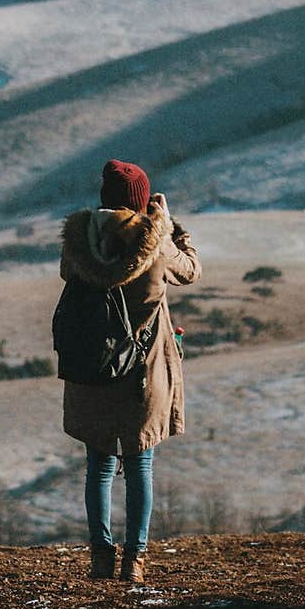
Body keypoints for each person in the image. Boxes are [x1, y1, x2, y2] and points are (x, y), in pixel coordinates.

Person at [58, 159, 201, 584]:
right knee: (140, 466)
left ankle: (101, 557)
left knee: (99, 466)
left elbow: (70, 275)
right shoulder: (155, 245)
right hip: (142, 373)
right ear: (141, 202)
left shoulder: (78, 243)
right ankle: (134, 561)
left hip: (91, 369)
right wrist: (171, 225)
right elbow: (191, 269)